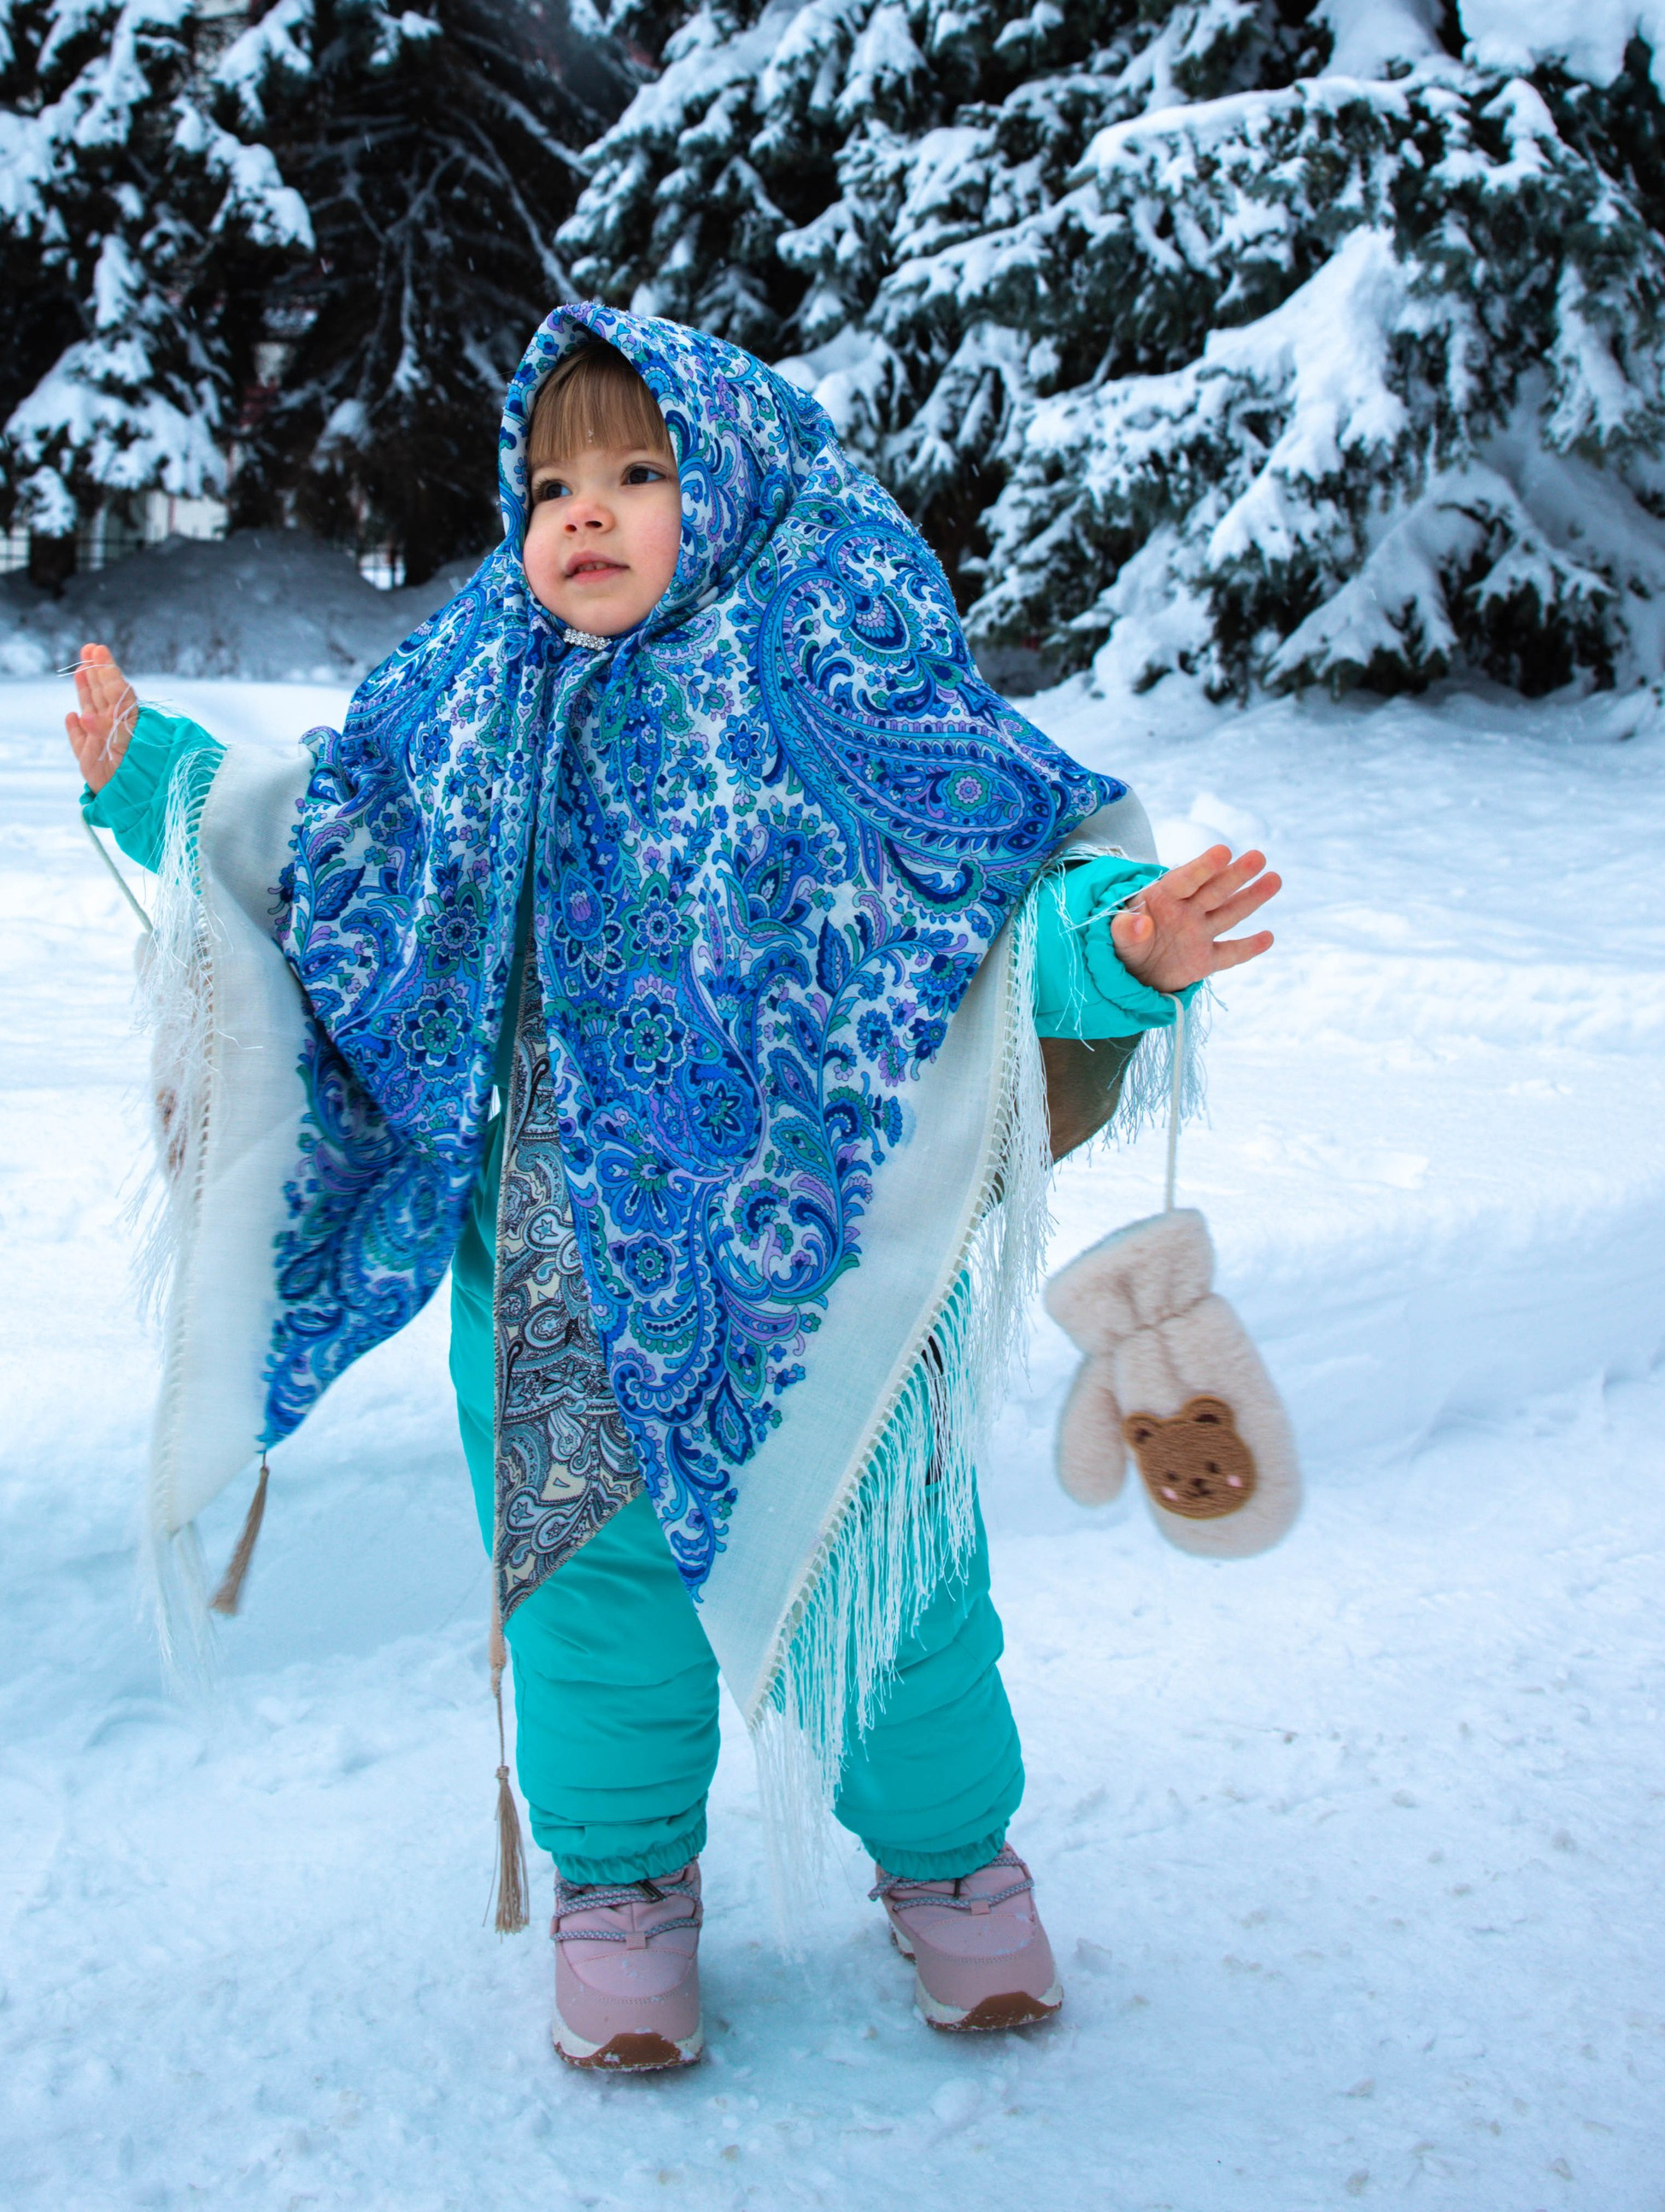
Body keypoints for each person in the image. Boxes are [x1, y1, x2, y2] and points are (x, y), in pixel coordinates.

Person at [67, 306, 1279, 2074]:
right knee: (583, 1600)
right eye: (550, 478)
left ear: (731, 488)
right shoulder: (470, 693)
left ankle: (952, 1871)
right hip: (550, 1275)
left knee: (894, 1591)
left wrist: (1127, 949)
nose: (585, 510)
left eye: (639, 470)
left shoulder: (837, 678)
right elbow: (327, 843)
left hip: (819, 1275)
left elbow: (996, 916)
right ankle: (620, 1893)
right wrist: (149, 782)